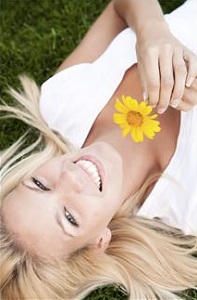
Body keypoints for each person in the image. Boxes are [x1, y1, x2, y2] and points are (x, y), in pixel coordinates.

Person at [1, 0, 197, 299]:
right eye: (69, 217)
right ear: (99, 242)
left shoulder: (63, 103)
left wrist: (152, 32)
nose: (71, 179)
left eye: (39, 184)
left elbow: (121, 6)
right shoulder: (189, 205)